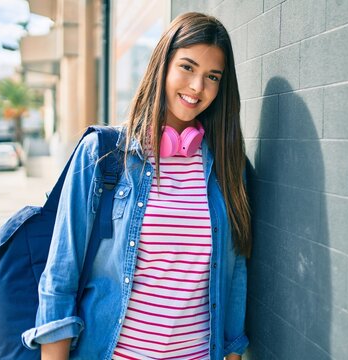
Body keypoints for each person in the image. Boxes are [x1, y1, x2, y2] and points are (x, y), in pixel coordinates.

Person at [22, 12, 251, 360]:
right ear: (163, 66)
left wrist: (233, 353)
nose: (197, 87)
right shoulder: (103, 155)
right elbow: (61, 274)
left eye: (212, 76)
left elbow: (235, 276)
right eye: (187, 67)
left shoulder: (228, 168)